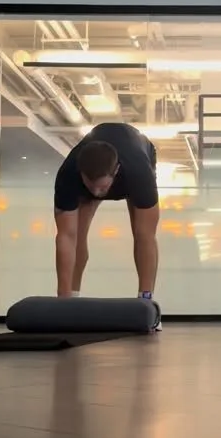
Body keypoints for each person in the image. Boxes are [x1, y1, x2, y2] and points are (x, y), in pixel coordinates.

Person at [54, 122, 159, 303]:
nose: (96, 192)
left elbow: (147, 238)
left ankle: (145, 297)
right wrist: (63, 298)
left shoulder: (140, 175)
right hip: (91, 165)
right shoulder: (68, 175)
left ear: (116, 171)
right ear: (81, 173)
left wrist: (146, 302)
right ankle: (71, 296)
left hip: (137, 156)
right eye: (91, 186)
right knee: (77, 235)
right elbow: (66, 237)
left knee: (142, 233)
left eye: (102, 187)